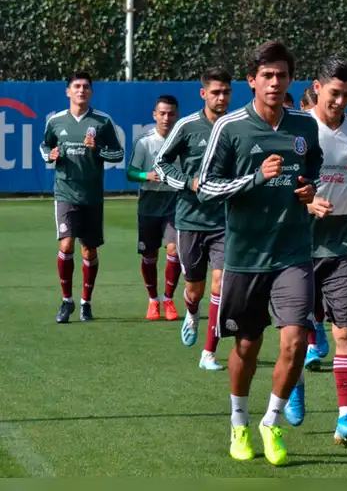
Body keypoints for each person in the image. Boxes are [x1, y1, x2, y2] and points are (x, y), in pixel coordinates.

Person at [197, 41, 322, 466]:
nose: (274, 82)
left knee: (295, 340)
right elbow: (208, 186)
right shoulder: (230, 127)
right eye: (266, 76)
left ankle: (270, 422)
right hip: (245, 256)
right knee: (247, 347)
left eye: (282, 75)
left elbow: (313, 174)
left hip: (292, 252)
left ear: (291, 80)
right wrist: (253, 178)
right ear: (251, 80)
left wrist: (309, 190)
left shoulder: (305, 126)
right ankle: (239, 422)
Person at [287, 56, 347, 443]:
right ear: (316, 87)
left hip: (343, 241)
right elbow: (280, 187)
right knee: (293, 333)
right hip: (296, 241)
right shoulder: (297, 129)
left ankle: (345, 418)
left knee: (346, 331)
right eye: (334, 92)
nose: (340, 101)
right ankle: (294, 387)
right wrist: (306, 203)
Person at [154, 67, 233, 371]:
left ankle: (209, 352)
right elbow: (162, 164)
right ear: (203, 94)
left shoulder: (235, 126)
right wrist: (188, 182)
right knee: (194, 288)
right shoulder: (187, 126)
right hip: (189, 220)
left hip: (224, 220)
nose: (221, 97)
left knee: (220, 282)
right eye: (215, 92)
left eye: (226, 91)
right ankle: (191, 310)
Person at [41, 72, 125, 324]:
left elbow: (118, 153)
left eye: (86, 87)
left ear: (91, 92)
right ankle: (66, 300)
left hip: (92, 195)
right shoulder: (56, 121)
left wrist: (97, 149)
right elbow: (45, 146)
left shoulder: (102, 121)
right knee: (66, 245)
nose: (81, 91)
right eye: (76, 87)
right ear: (68, 91)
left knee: (89, 250)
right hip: (65, 191)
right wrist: (50, 154)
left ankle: (86, 302)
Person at [127, 95, 181, 321]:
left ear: (176, 115)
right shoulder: (144, 142)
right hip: (149, 202)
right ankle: (153, 301)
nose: (166, 118)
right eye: (162, 113)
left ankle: (168, 299)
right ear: (154, 115)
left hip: (174, 202)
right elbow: (130, 173)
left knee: (174, 251)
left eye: (170, 113)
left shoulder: (182, 140)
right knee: (149, 254)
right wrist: (145, 175)